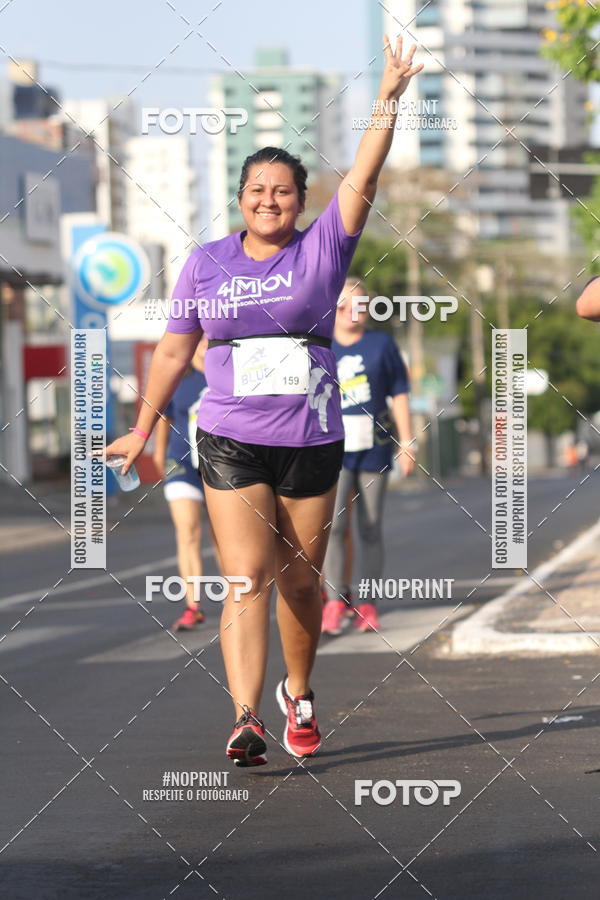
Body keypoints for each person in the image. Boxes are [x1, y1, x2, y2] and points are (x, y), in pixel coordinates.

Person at [104, 35, 423, 767]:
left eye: (282, 191)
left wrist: (389, 98)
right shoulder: (206, 262)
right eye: (257, 191)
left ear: (300, 200)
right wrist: (143, 427)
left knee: (301, 578)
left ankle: (299, 693)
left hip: (310, 436)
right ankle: (246, 717)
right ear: (241, 199)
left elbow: (367, 172)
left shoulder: (324, 249)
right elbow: (177, 349)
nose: (269, 200)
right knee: (245, 576)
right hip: (227, 435)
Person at [322, 278, 415, 635]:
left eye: (359, 306)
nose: (351, 314)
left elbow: (400, 393)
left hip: (375, 444)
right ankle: (333, 602)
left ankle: (367, 604)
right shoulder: (321, 344)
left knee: (370, 526)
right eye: (343, 307)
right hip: (331, 447)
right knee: (333, 527)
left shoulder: (381, 344)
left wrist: (408, 442)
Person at [153, 337, 210, 632]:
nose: (204, 344)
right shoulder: (179, 377)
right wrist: (159, 454)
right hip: (181, 461)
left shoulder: (226, 375)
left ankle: (239, 600)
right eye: (199, 339)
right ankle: (193, 606)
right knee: (188, 532)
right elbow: (165, 417)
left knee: (227, 539)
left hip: (220, 465)